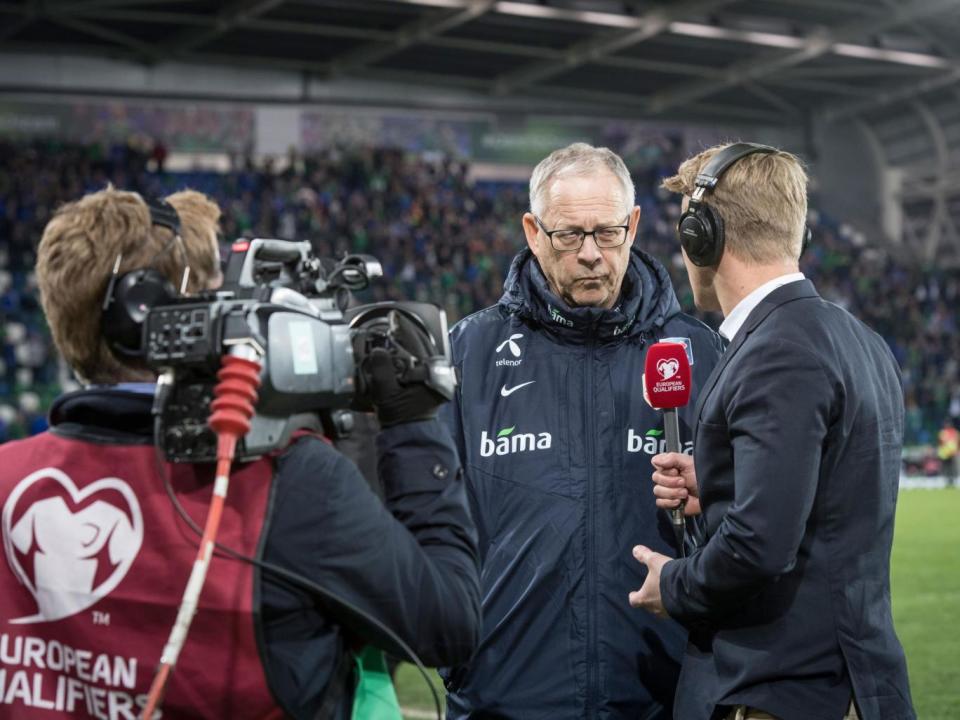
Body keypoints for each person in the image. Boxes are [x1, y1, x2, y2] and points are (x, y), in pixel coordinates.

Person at [0, 187, 480, 719]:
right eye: (215, 290)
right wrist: (412, 422)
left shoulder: (7, 477)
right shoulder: (290, 482)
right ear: (144, 314)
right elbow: (448, 623)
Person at [439, 143, 724, 718]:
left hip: (661, 698)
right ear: (532, 230)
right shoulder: (470, 354)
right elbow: (432, 526)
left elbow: (749, 524)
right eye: (570, 236)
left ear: (635, 224)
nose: (592, 255)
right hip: (503, 698)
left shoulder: (699, 351)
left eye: (609, 233)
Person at [631, 143, 915, 720]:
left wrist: (676, 585)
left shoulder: (776, 351)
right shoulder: (855, 337)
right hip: (850, 681)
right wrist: (718, 485)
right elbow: (826, 499)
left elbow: (760, 546)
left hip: (782, 692)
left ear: (701, 236)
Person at [938, 418, 958, 487]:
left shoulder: (955, 432)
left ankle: (952, 481)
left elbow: (957, 442)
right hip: (945, 454)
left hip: (952, 453)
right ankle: (947, 481)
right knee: (946, 468)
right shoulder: (943, 432)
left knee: (952, 468)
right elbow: (941, 442)